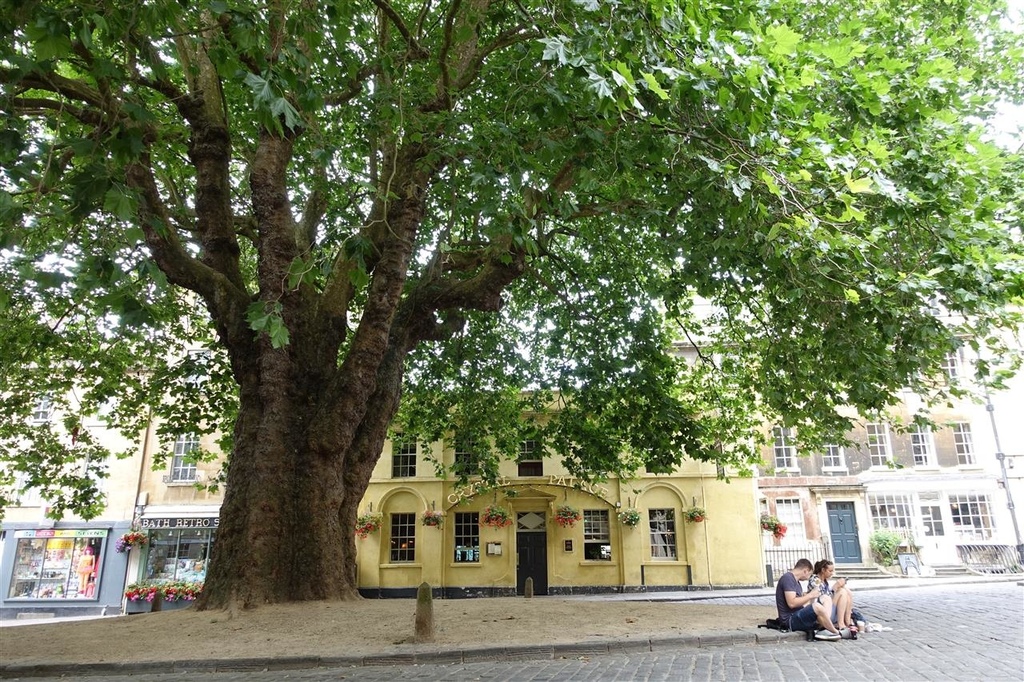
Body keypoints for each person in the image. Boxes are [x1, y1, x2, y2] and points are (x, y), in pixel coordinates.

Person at [775, 558, 843, 641]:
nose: (808, 577)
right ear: (805, 571)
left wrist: (809, 598)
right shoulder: (788, 578)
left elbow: (799, 601)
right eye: (809, 574)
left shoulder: (796, 582)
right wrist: (810, 595)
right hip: (790, 620)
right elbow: (791, 603)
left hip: (798, 614)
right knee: (816, 606)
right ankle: (835, 632)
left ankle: (824, 627)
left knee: (826, 598)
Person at [809, 559, 857, 637]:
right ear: (823, 570)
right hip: (822, 610)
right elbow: (822, 596)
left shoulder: (825, 581)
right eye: (830, 571)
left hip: (828, 607)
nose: (832, 573)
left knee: (846, 591)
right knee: (842, 592)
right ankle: (841, 623)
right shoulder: (815, 580)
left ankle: (847, 621)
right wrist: (835, 587)